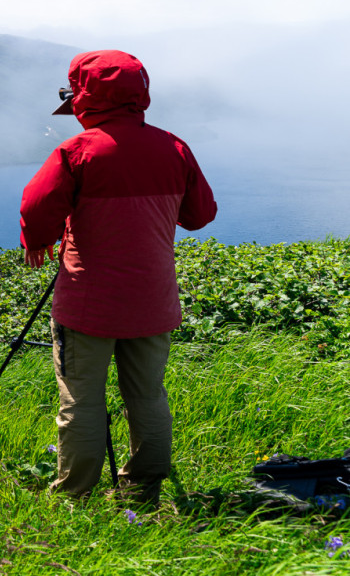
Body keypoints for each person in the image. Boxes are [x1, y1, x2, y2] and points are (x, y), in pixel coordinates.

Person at [19, 49, 217, 505]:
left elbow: (35, 204)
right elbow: (200, 214)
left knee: (82, 402)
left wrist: (40, 239)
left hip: (88, 303)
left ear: (84, 97)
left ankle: (75, 496)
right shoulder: (174, 147)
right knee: (147, 396)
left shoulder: (77, 151)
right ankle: (142, 488)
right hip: (153, 302)